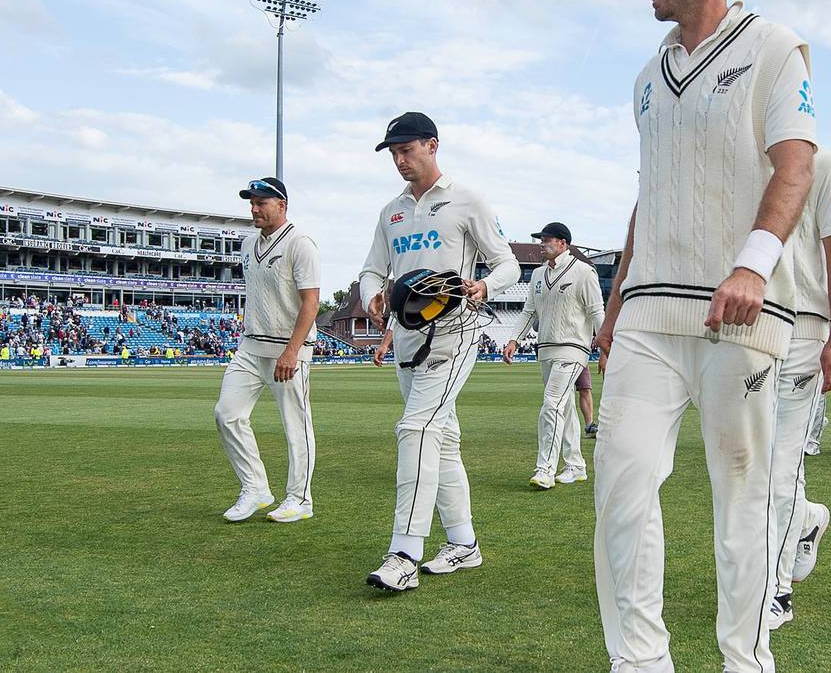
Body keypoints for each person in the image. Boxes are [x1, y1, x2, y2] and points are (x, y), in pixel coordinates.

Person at [594, 0, 816, 673]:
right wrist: (617, 299)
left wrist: (753, 263)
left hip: (741, 314)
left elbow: (796, 166)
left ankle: (746, 662)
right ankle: (639, 662)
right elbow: (647, 194)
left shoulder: (775, 48)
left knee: (742, 502)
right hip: (650, 315)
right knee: (620, 490)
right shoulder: (647, 78)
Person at [358, 111, 521, 592]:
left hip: (456, 331)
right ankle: (464, 544)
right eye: (393, 153)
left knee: (416, 428)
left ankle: (404, 552)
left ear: (432, 145)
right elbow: (372, 268)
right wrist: (371, 294)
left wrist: (485, 285)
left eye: (406, 150)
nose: (399, 160)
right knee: (442, 439)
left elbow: (508, 262)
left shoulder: (466, 200)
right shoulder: (391, 212)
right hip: (408, 336)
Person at [767, 148, 831, 630]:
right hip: (749, 331)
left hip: (803, 328)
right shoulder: (738, 156)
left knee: (776, 470)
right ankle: (807, 520)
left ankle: (777, 590)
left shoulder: (823, 164)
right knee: (761, 463)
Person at [213, 177, 321, 523]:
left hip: (289, 351)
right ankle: (255, 489)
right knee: (227, 413)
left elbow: (312, 302)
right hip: (250, 346)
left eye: (261, 202)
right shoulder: (248, 244)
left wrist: (291, 351)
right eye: (252, 202)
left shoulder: (300, 244)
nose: (254, 208)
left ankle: (299, 499)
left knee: (296, 425)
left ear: (281, 205)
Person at [503, 222, 603, 489]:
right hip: (545, 349)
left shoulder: (584, 272)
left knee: (551, 404)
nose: (541, 244)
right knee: (564, 407)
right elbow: (528, 312)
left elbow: (596, 312)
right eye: (540, 240)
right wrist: (514, 338)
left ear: (563, 243)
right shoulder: (537, 275)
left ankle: (545, 469)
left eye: (546, 240)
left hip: (573, 349)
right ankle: (576, 465)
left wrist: (605, 348)